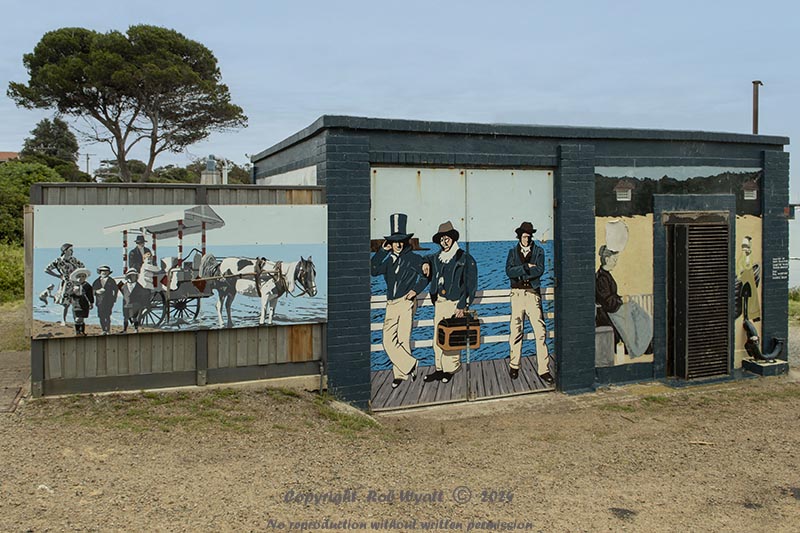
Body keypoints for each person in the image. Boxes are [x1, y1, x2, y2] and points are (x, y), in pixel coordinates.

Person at [370, 213, 429, 389]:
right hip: (391, 303)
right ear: (390, 243)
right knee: (388, 341)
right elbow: (373, 270)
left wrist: (415, 290)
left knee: (403, 339)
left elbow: (426, 276)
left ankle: (401, 375)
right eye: (395, 241)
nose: (398, 244)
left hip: (405, 302)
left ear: (405, 242)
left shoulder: (413, 259)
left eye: (401, 241)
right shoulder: (388, 261)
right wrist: (382, 251)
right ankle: (411, 365)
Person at [422, 221, 477, 384]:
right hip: (440, 302)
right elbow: (424, 258)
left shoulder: (464, 258)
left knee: (452, 338)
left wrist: (462, 305)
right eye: (441, 240)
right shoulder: (437, 258)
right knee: (437, 338)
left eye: (446, 239)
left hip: (455, 303)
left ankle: (450, 370)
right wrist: (424, 263)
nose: (444, 242)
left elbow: (471, 284)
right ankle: (439, 369)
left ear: (452, 239)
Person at [505, 221, 553, 384]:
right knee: (516, 330)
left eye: (529, 236)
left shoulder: (539, 251)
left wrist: (520, 274)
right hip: (517, 295)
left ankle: (544, 369)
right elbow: (509, 271)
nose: (526, 239)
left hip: (533, 294)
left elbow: (539, 270)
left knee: (540, 332)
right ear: (519, 236)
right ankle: (514, 365)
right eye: (524, 236)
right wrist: (526, 267)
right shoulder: (512, 252)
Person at [595, 245, 652, 357]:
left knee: (639, 315)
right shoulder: (601, 278)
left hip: (612, 310)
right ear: (607, 259)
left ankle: (645, 345)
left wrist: (621, 299)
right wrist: (621, 300)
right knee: (634, 317)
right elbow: (608, 302)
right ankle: (638, 347)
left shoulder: (606, 275)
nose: (616, 262)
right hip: (606, 314)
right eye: (614, 259)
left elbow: (611, 297)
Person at [44, 243, 85, 326]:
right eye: (70, 250)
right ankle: (63, 321)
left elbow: (83, 267)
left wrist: (78, 276)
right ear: (65, 251)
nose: (72, 252)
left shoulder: (74, 260)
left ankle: (76, 320)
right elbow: (46, 269)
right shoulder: (58, 261)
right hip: (66, 283)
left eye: (72, 250)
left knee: (76, 303)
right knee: (65, 303)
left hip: (75, 283)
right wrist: (58, 276)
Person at [119, 269, 148, 333]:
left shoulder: (139, 286)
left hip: (135, 304)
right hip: (126, 304)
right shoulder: (124, 286)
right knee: (125, 317)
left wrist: (142, 304)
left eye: (134, 276)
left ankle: (136, 329)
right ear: (128, 277)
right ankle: (125, 330)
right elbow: (123, 293)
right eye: (131, 275)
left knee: (134, 317)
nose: (133, 277)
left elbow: (142, 295)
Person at [92, 265, 119, 335]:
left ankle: (108, 330)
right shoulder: (97, 281)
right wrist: (96, 292)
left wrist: (114, 299)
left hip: (109, 301)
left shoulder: (111, 281)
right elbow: (92, 290)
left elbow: (116, 290)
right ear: (100, 272)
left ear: (109, 272)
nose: (104, 272)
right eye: (102, 271)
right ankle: (103, 329)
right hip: (99, 301)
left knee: (107, 315)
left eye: (106, 271)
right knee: (101, 316)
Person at [68, 268, 94, 336]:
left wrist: (91, 303)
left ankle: (81, 332)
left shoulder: (87, 286)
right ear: (76, 277)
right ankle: (78, 332)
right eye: (79, 276)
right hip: (75, 304)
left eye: (83, 276)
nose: (81, 278)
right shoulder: (73, 285)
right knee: (77, 319)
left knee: (80, 318)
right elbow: (69, 294)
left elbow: (90, 295)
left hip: (84, 304)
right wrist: (74, 291)